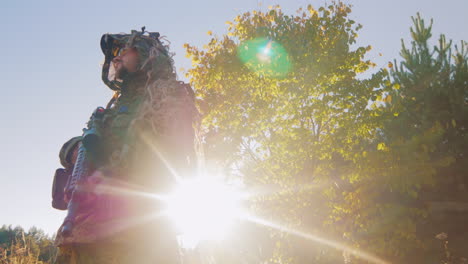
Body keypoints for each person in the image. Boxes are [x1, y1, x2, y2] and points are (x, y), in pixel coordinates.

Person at [53, 28, 199, 264]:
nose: (116, 57)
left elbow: (171, 161)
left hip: (140, 237)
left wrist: (109, 168)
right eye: (115, 53)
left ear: (146, 54)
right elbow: (75, 144)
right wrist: (76, 149)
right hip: (83, 232)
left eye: (123, 50)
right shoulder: (111, 109)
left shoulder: (169, 96)